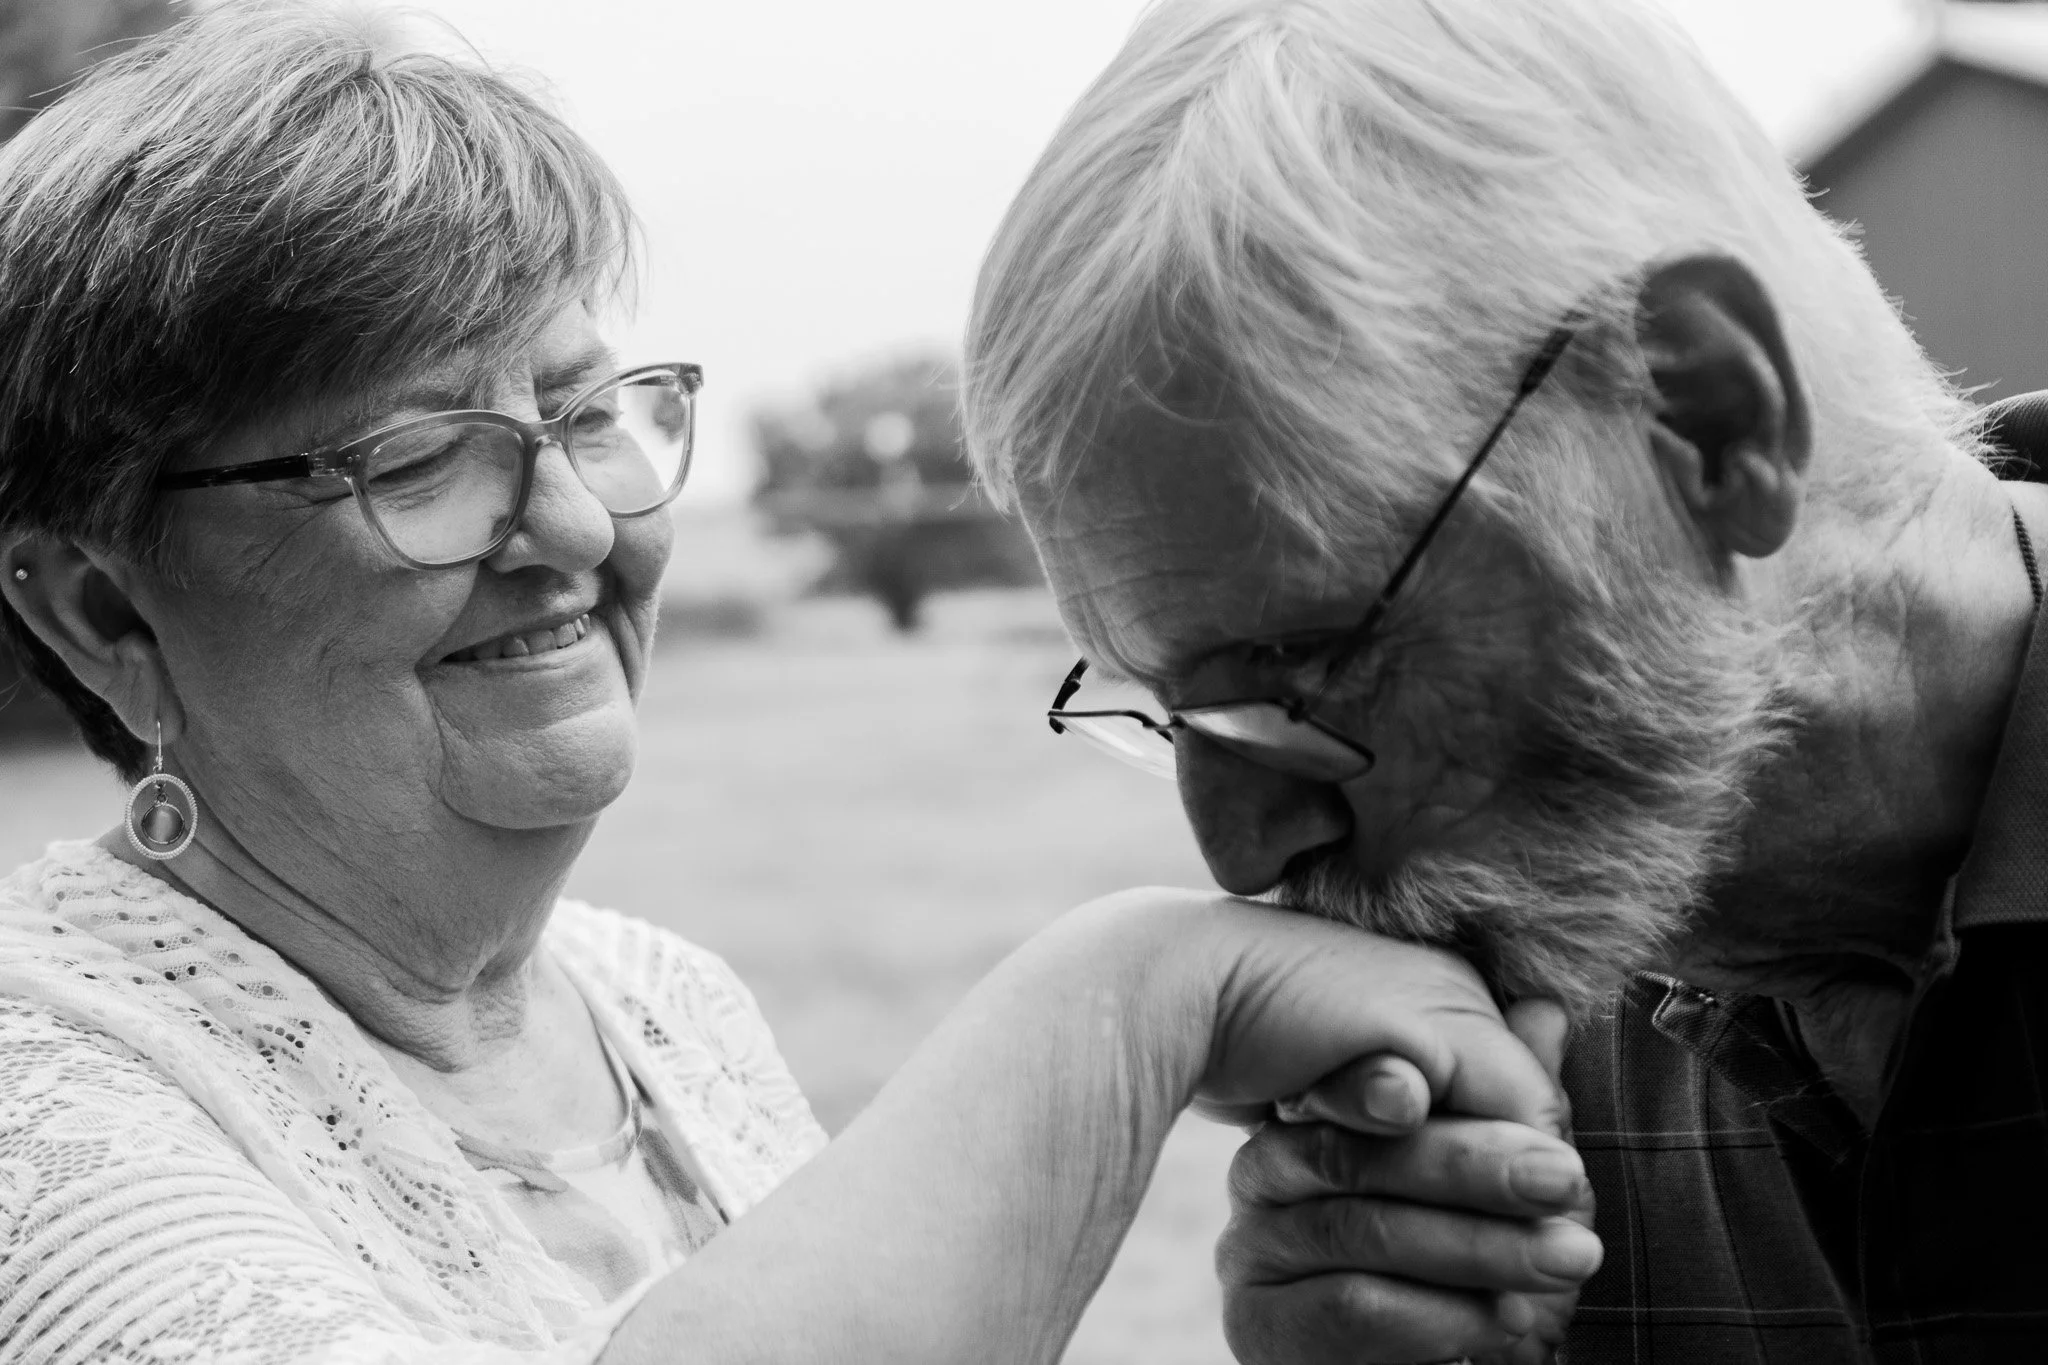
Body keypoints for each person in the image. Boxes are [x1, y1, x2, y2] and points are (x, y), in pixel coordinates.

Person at [0, 5, 1602, 1363]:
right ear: (99, 606)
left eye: (583, 414)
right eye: (415, 460)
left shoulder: (664, 1006)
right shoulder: (36, 1091)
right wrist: (1139, 1001)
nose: (571, 523)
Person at [965, 0, 2048, 1359]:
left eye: (1305, 668)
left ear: (1708, 422)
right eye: (1177, 712)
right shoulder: (1497, 1059)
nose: (1242, 854)